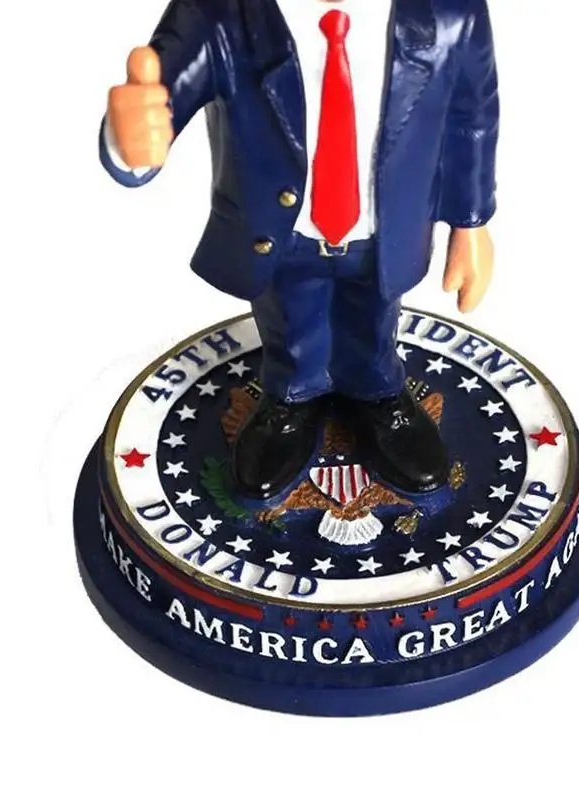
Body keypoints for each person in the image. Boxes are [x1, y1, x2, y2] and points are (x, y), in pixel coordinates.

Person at [100, 0, 499, 498]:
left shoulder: (451, 13)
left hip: (385, 230)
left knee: (374, 313)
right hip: (282, 234)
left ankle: (376, 386)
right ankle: (292, 393)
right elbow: (162, 88)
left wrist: (470, 223)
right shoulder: (219, 13)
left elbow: (472, 116)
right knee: (290, 318)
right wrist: (131, 136)